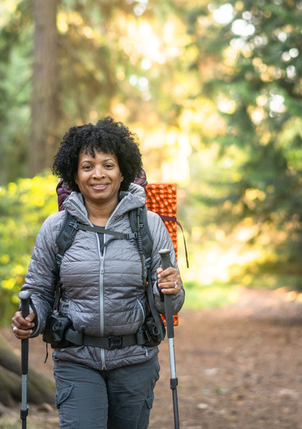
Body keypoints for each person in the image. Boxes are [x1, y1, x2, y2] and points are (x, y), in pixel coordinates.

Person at [11, 116, 184, 428]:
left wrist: (170, 288)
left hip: (136, 359)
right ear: (74, 176)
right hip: (76, 359)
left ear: (122, 173)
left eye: (108, 165)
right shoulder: (56, 228)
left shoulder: (149, 224)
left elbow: (169, 301)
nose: (98, 174)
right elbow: (38, 291)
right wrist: (30, 318)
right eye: (87, 166)